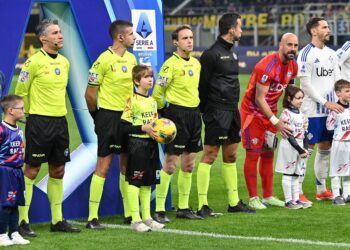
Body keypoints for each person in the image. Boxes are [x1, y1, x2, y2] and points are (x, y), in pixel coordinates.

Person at [15, 19, 80, 235]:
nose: (60, 35)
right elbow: (21, 91)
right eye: (55, 33)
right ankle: (22, 221)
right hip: (39, 123)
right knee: (32, 170)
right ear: (43, 38)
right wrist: (24, 115)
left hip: (60, 122)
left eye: (60, 32)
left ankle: (57, 220)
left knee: (58, 170)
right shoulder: (32, 62)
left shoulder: (64, 62)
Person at [196, 13, 254, 217]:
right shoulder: (211, 54)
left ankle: (233, 202)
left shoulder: (233, 52)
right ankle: (202, 204)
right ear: (231, 29)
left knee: (231, 155)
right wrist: (206, 111)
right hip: (216, 111)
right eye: (239, 27)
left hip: (232, 109)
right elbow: (201, 86)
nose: (241, 30)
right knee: (210, 155)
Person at [85, 20, 137, 229]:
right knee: (104, 166)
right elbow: (89, 94)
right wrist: (97, 116)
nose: (135, 37)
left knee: (126, 165)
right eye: (132, 34)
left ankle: (128, 214)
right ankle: (92, 217)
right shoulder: (103, 61)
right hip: (108, 117)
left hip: (128, 118)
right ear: (120, 37)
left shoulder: (133, 59)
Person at [240, 33, 298, 209]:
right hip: (253, 113)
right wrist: (276, 122)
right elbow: (259, 98)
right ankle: (253, 198)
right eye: (289, 45)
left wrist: (289, 116)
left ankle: (268, 196)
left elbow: (289, 92)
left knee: (268, 153)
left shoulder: (293, 67)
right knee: (253, 153)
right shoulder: (266, 66)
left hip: (271, 113)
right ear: (280, 45)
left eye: (296, 46)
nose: (293, 49)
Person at [152, 25, 203, 223]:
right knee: (171, 164)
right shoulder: (170, 65)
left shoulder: (197, 64)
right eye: (184, 38)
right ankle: (159, 210)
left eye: (191, 37)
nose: (189, 41)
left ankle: (183, 208)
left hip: (193, 115)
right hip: (177, 115)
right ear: (176, 42)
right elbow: (158, 92)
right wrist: (163, 111)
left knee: (189, 164)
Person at [297, 17, 343, 203]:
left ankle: (321, 189)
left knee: (326, 148)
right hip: (312, 111)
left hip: (331, 112)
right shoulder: (305, 53)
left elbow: (338, 81)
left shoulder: (332, 54)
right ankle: (297, 190)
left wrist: (343, 100)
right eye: (325, 27)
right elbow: (305, 84)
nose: (328, 30)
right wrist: (325, 102)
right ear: (314, 31)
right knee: (306, 150)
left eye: (328, 26)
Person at [121, 65, 165, 232]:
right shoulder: (132, 101)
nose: (150, 80)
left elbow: (153, 124)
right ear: (136, 81)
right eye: (146, 77)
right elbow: (123, 126)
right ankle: (135, 219)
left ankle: (147, 218)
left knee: (148, 182)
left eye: (151, 76)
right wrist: (142, 128)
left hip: (151, 145)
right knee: (135, 181)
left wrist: (159, 132)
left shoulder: (153, 102)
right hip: (137, 144)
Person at [0, 95, 30, 246]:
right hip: (5, 171)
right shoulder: (1, 129)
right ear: (10, 110)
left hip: (18, 171)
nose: (24, 111)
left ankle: (14, 232)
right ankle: (1, 234)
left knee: (16, 202)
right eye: (21, 109)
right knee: (6, 203)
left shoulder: (19, 129)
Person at [275, 85, 311, 209]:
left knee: (297, 173)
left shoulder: (301, 114)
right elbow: (289, 135)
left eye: (302, 98)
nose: (301, 101)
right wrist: (300, 150)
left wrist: (305, 148)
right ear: (289, 99)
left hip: (300, 145)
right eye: (298, 98)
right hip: (289, 147)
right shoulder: (286, 114)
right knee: (288, 173)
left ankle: (296, 199)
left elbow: (305, 132)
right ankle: (288, 201)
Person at [326, 79, 350, 205]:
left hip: (349, 143)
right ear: (338, 93)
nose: (349, 93)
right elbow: (329, 127)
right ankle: (336, 194)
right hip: (339, 142)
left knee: (348, 168)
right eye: (346, 91)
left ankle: (347, 193)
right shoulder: (335, 110)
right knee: (336, 169)